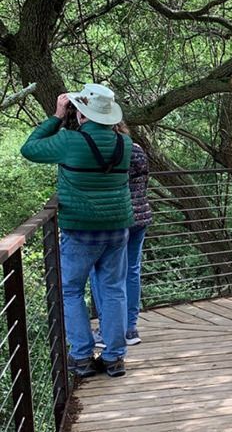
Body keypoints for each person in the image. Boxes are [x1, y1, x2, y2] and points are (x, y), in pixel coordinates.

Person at [21, 84, 132, 378]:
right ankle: (114, 358)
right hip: (118, 228)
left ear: (81, 112)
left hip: (80, 229)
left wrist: (57, 117)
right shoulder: (126, 145)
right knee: (112, 291)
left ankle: (82, 357)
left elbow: (29, 149)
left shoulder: (69, 141)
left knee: (70, 290)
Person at [91, 121, 152, 348]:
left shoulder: (104, 152)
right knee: (132, 271)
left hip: (116, 219)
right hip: (141, 217)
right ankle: (129, 327)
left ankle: (108, 328)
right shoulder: (135, 148)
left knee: (100, 272)